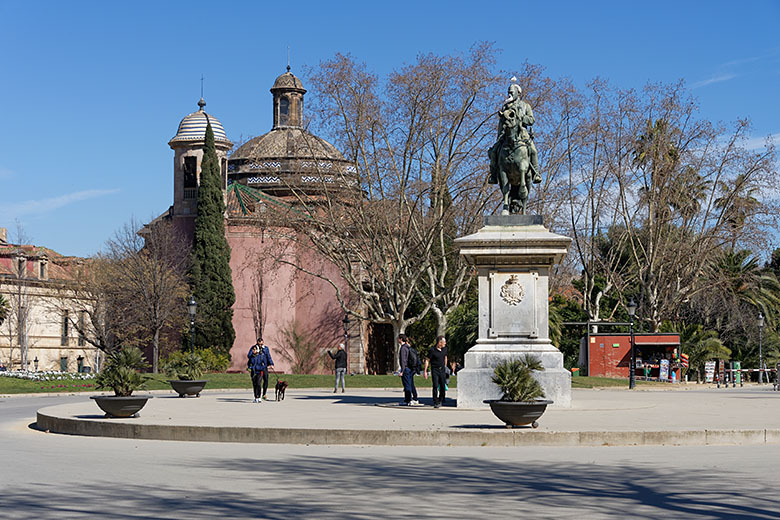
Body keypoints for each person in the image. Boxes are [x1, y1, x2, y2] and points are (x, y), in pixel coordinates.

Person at [488, 81, 541, 185]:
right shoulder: (505, 107)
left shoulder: (525, 106)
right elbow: (501, 123)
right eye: (509, 92)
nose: (509, 95)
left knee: (533, 151)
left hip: (522, 135)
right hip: (506, 134)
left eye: (512, 92)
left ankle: (536, 174)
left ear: (518, 93)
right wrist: (499, 136)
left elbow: (531, 120)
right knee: (494, 151)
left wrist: (521, 117)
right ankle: (493, 175)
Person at [423, 336, 448, 408]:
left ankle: (441, 398)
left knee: (443, 385)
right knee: (435, 385)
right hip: (435, 370)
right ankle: (435, 400)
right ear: (440, 343)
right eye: (444, 342)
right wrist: (425, 371)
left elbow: (445, 357)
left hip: (442, 369)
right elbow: (427, 360)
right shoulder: (432, 350)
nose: (445, 344)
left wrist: (445, 366)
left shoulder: (445, 349)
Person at [247, 337, 274, 402]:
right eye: (259, 344)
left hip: (264, 366)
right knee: (257, 383)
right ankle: (257, 396)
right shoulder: (254, 348)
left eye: (261, 344)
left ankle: (264, 394)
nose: (260, 345)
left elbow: (268, 356)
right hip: (256, 368)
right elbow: (249, 356)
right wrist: (254, 352)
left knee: (266, 380)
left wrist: (271, 364)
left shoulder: (265, 348)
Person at [398, 334, 420, 406]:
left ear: (401, 339)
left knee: (407, 385)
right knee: (411, 384)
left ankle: (408, 400)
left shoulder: (403, 348)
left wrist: (402, 371)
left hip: (406, 369)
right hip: (411, 369)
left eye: (398, 339)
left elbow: (403, 360)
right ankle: (415, 398)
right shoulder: (408, 347)